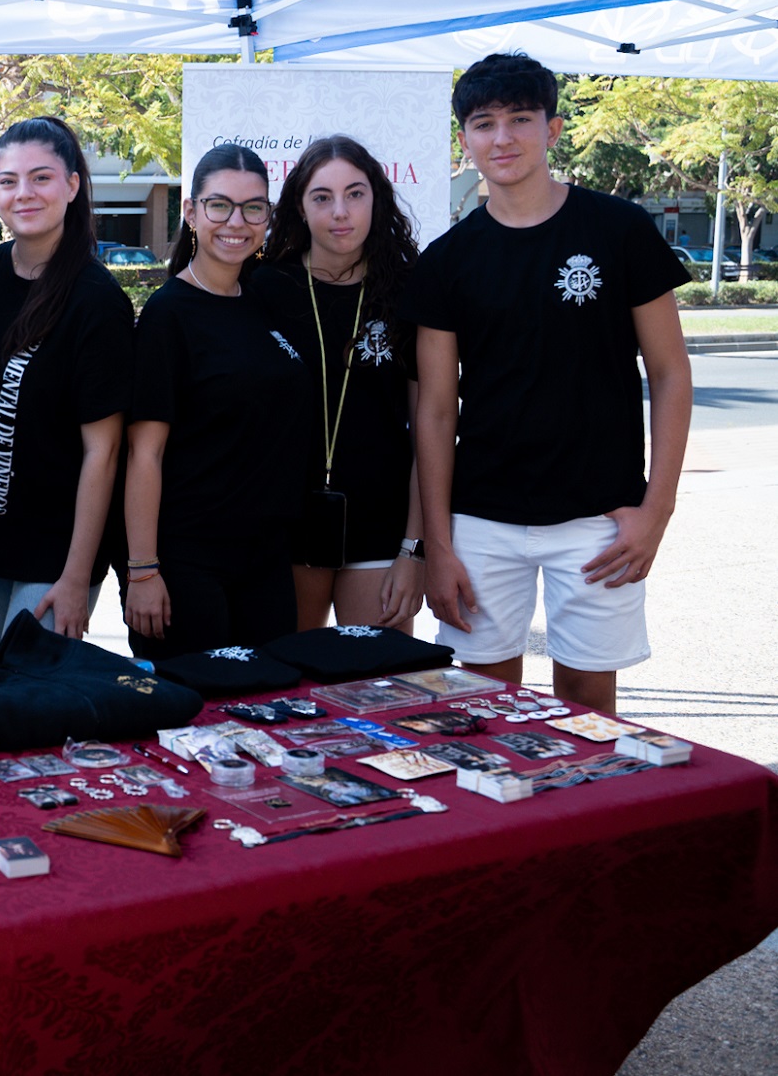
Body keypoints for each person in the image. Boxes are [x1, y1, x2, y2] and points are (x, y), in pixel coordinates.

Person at [404, 52, 692, 714]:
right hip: (480, 518)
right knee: (484, 707)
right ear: (464, 139)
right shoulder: (446, 260)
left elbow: (671, 374)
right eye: (483, 123)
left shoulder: (618, 231)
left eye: (519, 119)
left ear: (552, 129)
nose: (501, 138)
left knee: (588, 706)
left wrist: (656, 510)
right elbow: (436, 413)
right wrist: (438, 546)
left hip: (598, 518)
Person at [0, 117, 130, 658]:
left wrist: (77, 576)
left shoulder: (97, 301)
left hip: (55, 553)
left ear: (72, 186)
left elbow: (105, 451)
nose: (22, 193)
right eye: (8, 181)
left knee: (25, 699)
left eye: (41, 178)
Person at [125, 143, 309, 656]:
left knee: (267, 715)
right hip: (189, 560)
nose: (238, 221)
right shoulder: (169, 315)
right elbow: (145, 453)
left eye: (254, 208)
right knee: (196, 726)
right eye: (220, 205)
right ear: (191, 211)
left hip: (267, 558)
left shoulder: (266, 300)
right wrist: (142, 571)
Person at [250, 136, 425, 631]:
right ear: (300, 209)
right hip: (286, 522)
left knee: (377, 688)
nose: (340, 212)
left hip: (382, 523)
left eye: (355, 193)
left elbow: (429, 430)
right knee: (290, 687)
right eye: (321, 197)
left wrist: (415, 549)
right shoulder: (265, 289)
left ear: (377, 198)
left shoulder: (407, 290)